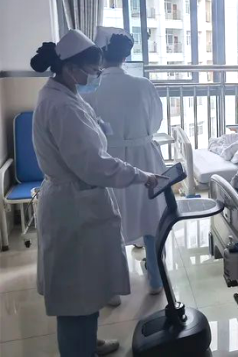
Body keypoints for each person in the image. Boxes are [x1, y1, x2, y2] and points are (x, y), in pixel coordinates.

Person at [30, 29, 163, 357]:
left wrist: (102, 128)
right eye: (91, 70)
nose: (95, 75)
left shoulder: (65, 94)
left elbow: (86, 137)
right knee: (76, 294)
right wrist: (141, 175)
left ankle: (87, 343)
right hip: (73, 207)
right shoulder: (62, 106)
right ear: (70, 67)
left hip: (79, 201)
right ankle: (79, 349)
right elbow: (95, 165)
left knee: (85, 289)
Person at [83, 26, 166, 297]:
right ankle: (156, 278)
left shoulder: (90, 90)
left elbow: (88, 128)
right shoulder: (143, 85)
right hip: (144, 156)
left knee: (111, 220)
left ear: (101, 57)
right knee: (149, 217)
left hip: (109, 160)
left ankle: (112, 291)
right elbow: (156, 121)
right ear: (126, 57)